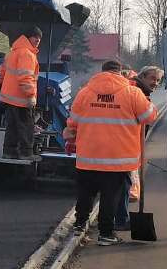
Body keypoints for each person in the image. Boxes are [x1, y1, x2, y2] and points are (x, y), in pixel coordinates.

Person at [67, 59, 156, 245]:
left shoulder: (85, 93)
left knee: (86, 192)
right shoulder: (132, 93)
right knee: (110, 197)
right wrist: (148, 103)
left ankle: (79, 224)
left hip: (88, 156)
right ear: (120, 72)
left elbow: (73, 121)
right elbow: (149, 117)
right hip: (117, 158)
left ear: (102, 72)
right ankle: (106, 234)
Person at [115, 65, 164, 231]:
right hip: (124, 145)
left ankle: (120, 218)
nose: (155, 83)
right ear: (142, 77)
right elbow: (147, 116)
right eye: (152, 79)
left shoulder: (141, 91)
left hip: (129, 144)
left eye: (158, 80)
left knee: (122, 184)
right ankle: (120, 219)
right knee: (123, 183)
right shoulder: (135, 91)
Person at [0, 26, 41, 159]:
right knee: (26, 127)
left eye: (40, 38)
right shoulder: (27, 54)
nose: (38, 40)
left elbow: (2, 71)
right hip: (21, 99)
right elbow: (25, 77)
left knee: (12, 127)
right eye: (35, 37)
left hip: (9, 99)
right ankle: (26, 153)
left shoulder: (13, 52)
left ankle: (8, 152)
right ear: (28, 37)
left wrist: (0, 84)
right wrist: (31, 96)